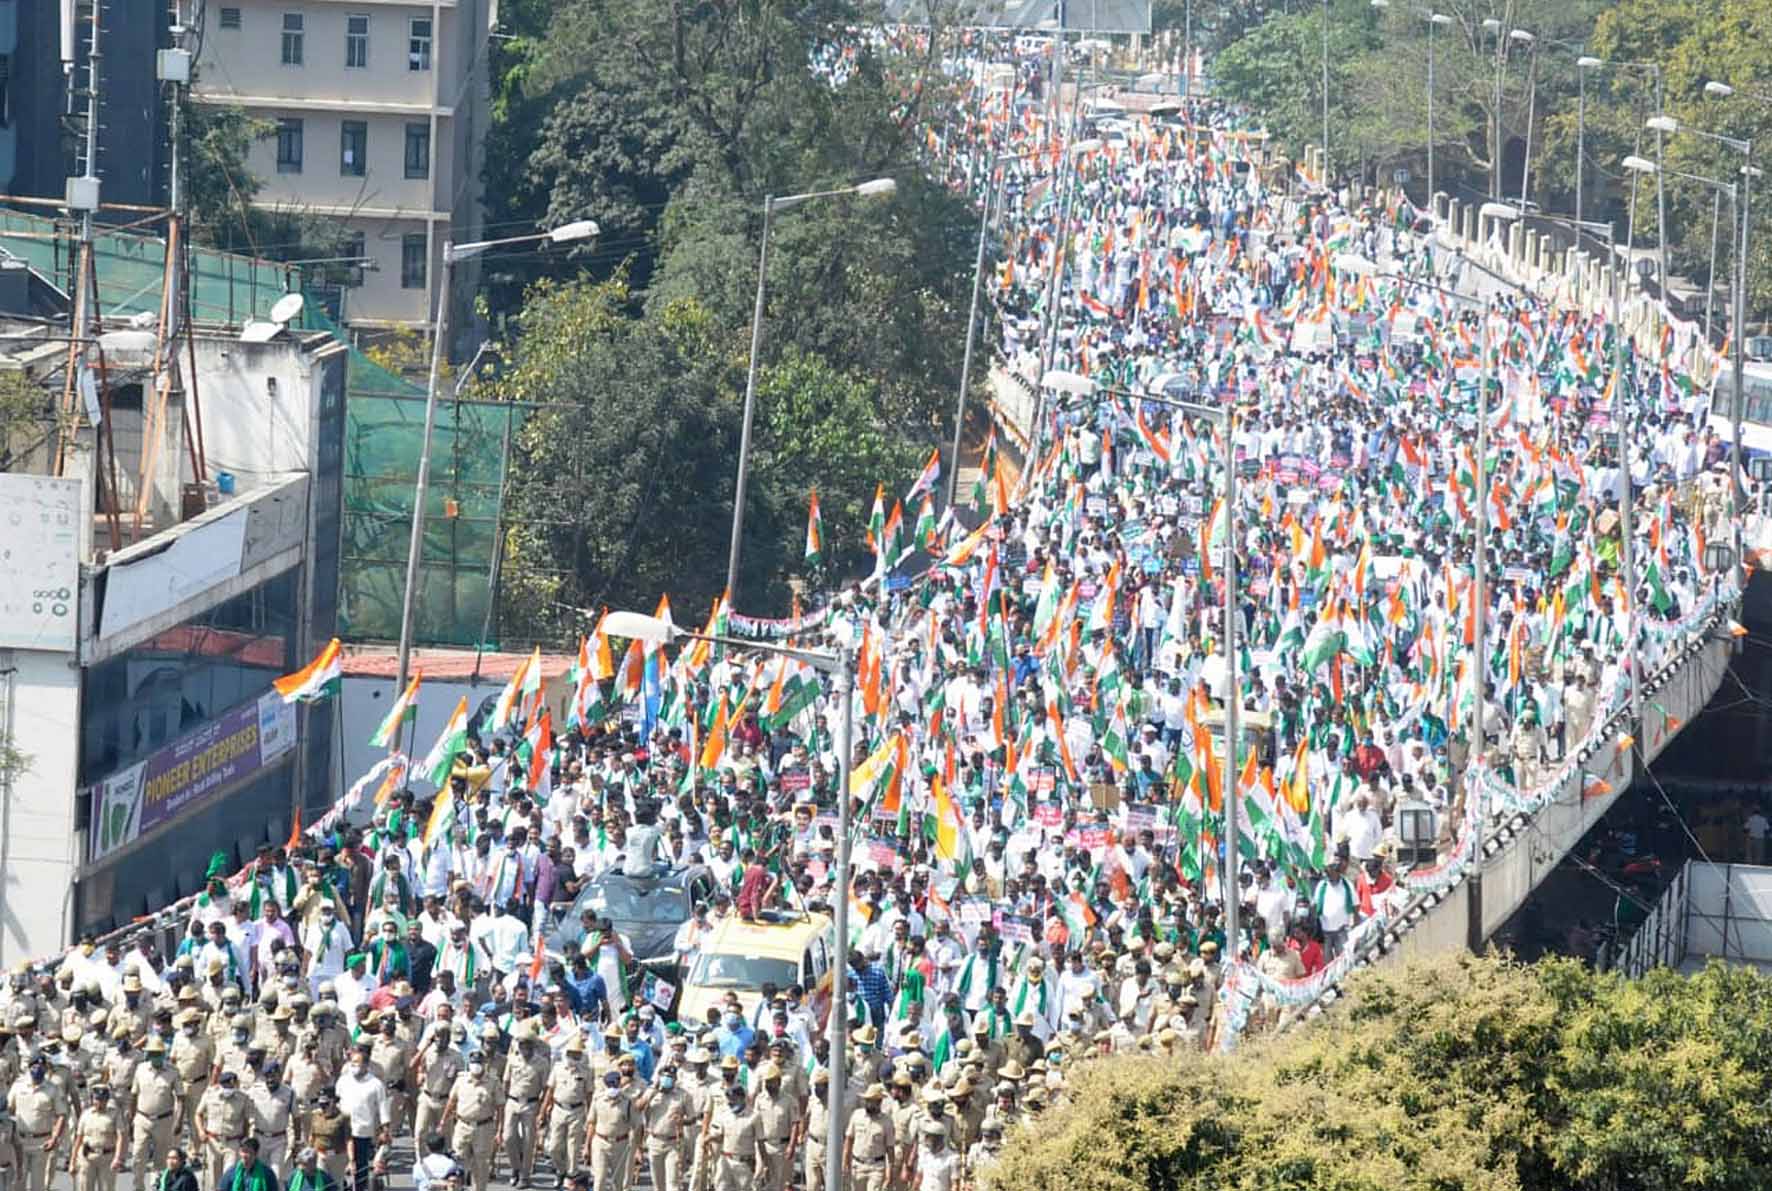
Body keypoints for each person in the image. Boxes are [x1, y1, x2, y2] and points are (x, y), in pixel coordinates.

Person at [330, 1049, 388, 1191]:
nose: (354, 1066)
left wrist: (385, 1130)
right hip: (342, 1128)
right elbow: (335, 1102)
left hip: (363, 1130)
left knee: (360, 1164)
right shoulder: (343, 1080)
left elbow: (382, 1108)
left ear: (366, 1065)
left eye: (357, 1063)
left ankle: (360, 1187)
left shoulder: (375, 1084)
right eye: (352, 1063)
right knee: (341, 1161)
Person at [70, 1083, 126, 1191]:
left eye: (102, 1100)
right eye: (97, 1099)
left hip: (107, 1158)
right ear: (92, 1099)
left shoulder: (114, 1114)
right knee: (84, 1187)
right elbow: (78, 1139)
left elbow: (120, 1137)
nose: (99, 1102)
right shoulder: (86, 1114)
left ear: (107, 1100)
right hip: (87, 1157)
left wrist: (117, 1158)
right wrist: (72, 1162)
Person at [214, 1138, 280, 1191]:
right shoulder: (231, 1172)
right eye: (243, 1151)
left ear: (256, 1154)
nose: (244, 1155)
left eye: (248, 1152)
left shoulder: (267, 1173)